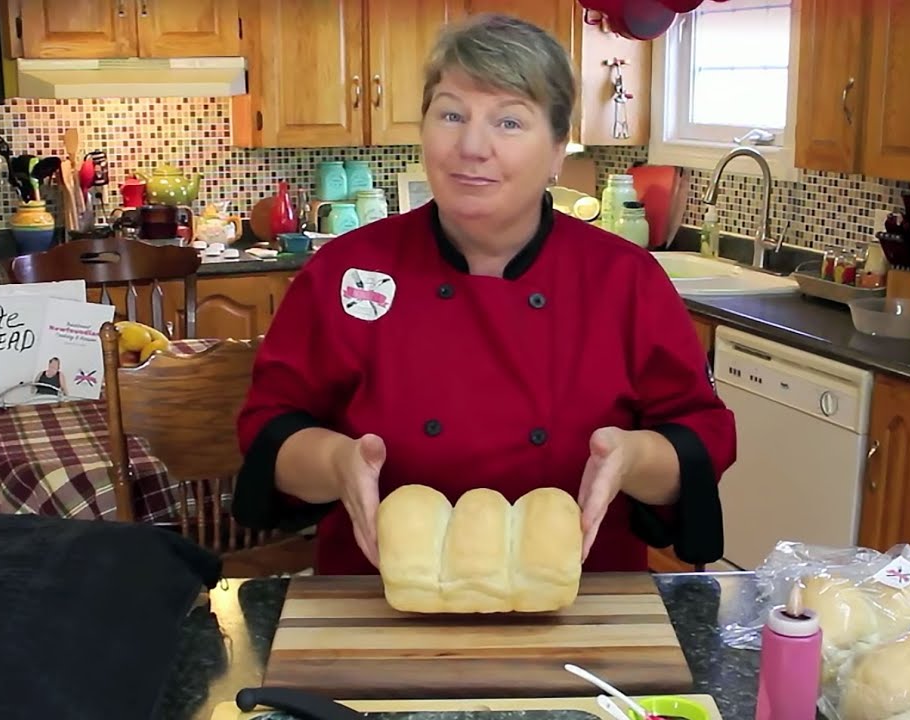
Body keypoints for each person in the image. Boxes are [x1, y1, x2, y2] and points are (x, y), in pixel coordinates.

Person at [233, 13, 736, 575]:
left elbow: (699, 436)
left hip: (582, 600)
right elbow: (271, 427)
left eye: (509, 123)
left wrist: (632, 456)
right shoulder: (347, 269)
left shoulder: (624, 279)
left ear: (556, 151)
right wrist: (334, 459)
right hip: (378, 596)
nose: (471, 146)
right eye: (451, 114)